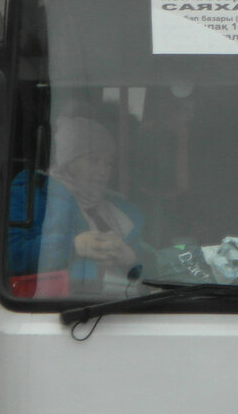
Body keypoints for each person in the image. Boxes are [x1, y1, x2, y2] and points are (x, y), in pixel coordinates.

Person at [8, 116, 143, 294]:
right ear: (68, 162)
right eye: (93, 160)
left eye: (108, 163)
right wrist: (73, 246)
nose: (103, 171)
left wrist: (131, 259)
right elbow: (10, 255)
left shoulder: (123, 211)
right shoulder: (32, 193)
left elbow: (154, 277)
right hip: (49, 310)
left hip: (119, 308)